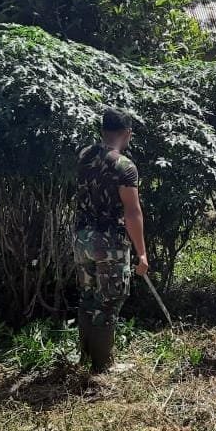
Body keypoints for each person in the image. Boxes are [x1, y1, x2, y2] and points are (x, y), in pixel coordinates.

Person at [74, 108, 149, 373]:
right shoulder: (125, 166)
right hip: (109, 243)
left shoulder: (84, 155)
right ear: (127, 133)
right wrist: (141, 253)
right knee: (109, 300)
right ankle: (103, 365)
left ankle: (85, 358)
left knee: (88, 297)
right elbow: (132, 211)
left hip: (82, 238)